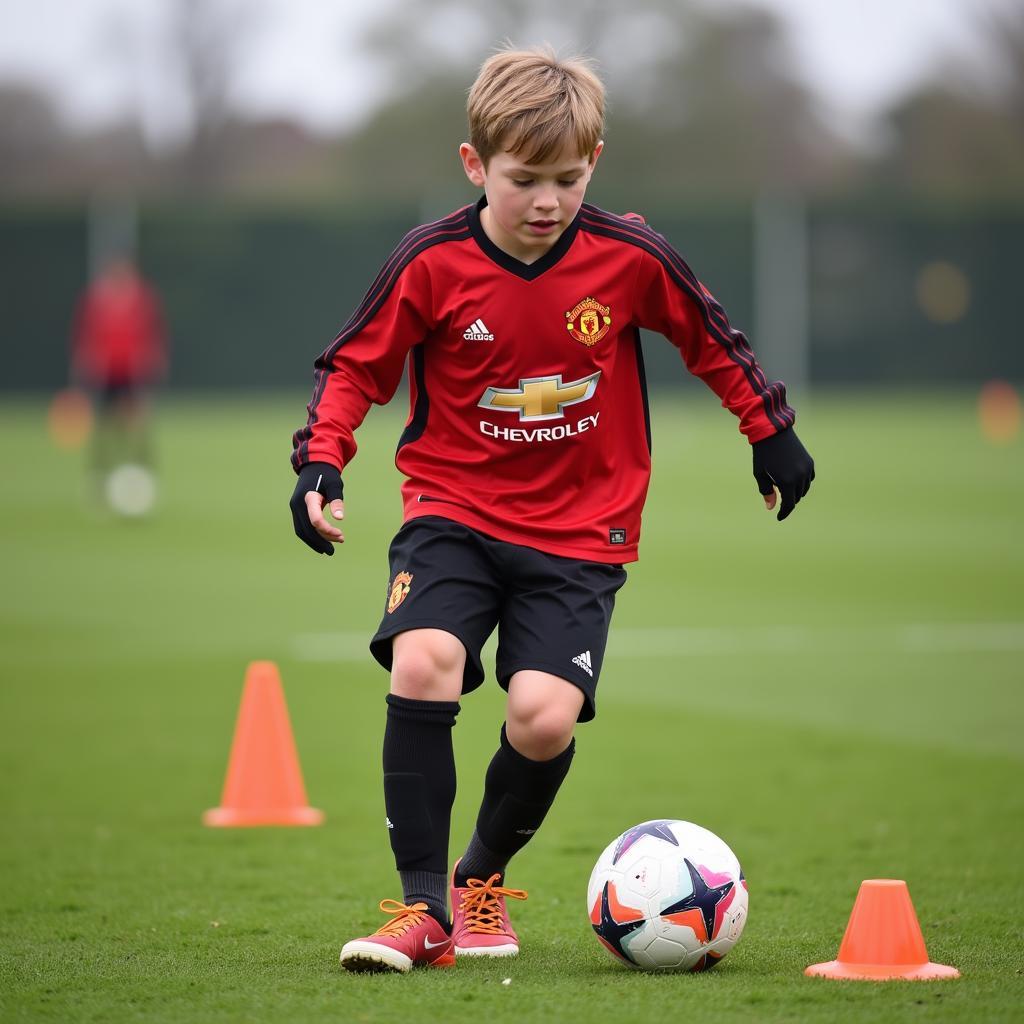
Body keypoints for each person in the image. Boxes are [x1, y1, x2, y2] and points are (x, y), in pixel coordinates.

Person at [289, 46, 814, 974]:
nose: (546, 200)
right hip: (452, 511)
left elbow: (711, 337)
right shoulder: (432, 262)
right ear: (473, 165)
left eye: (567, 179)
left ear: (594, 162)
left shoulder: (629, 255)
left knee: (541, 718)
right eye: (523, 178)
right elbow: (354, 366)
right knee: (426, 659)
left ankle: (481, 876)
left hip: (579, 535)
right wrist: (321, 462)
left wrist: (766, 429)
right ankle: (423, 909)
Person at [71, 256, 167, 513]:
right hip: (106, 373)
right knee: (103, 428)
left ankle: (142, 477)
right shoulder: (96, 299)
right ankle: (99, 480)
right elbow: (87, 334)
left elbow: (152, 332)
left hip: (132, 372)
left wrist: (151, 360)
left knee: (137, 425)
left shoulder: (141, 298)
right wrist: (87, 361)